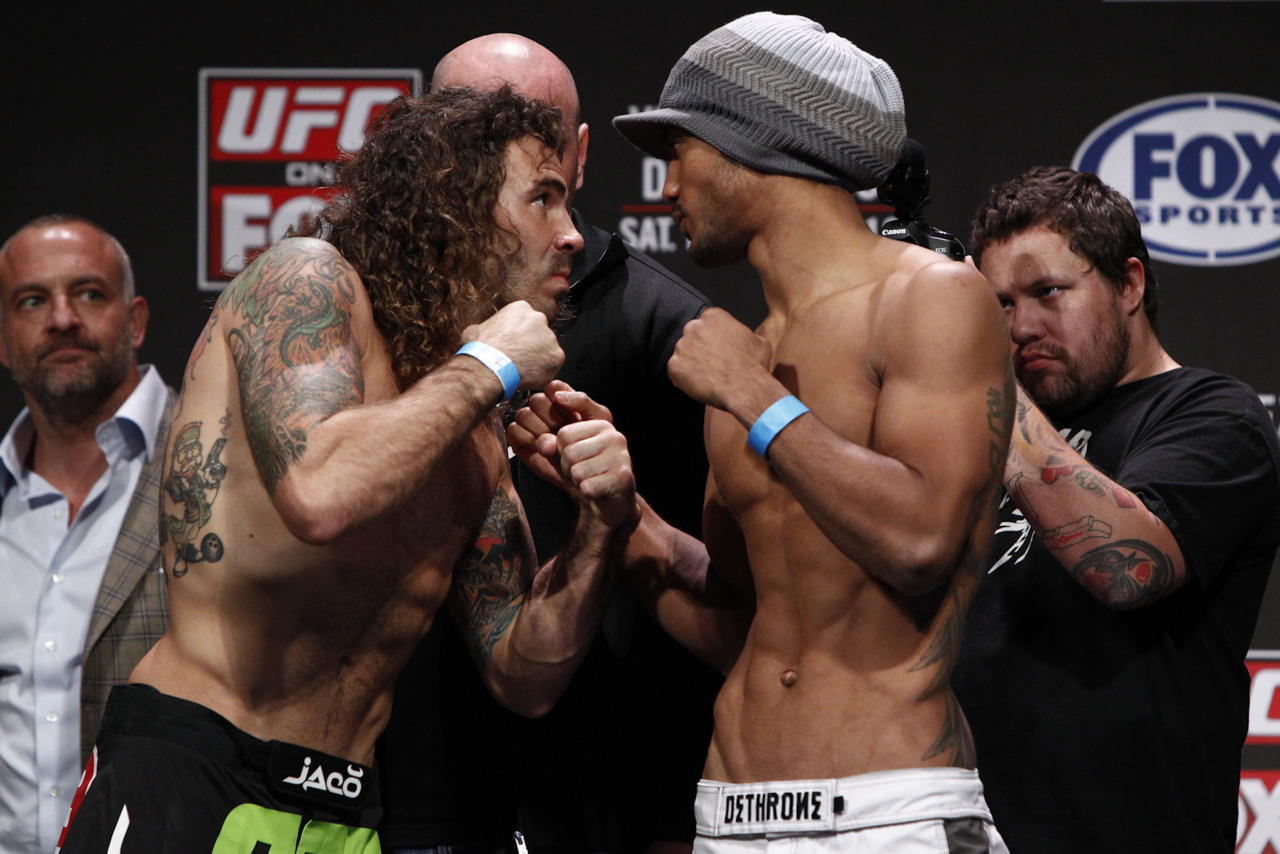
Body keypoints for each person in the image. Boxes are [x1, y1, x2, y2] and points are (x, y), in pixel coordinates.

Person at [56, 85, 639, 854]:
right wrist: (490, 365)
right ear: (454, 205)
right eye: (543, 198)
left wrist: (602, 525)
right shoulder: (307, 285)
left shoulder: (467, 427)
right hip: (195, 778)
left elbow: (524, 675)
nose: (570, 236)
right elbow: (320, 493)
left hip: (345, 817)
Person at [529, 12, 1010, 854]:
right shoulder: (740, 355)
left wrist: (756, 397)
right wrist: (618, 511)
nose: (666, 188)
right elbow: (744, 621)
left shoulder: (930, 297)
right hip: (731, 814)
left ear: (754, 143)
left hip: (885, 815)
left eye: (679, 150)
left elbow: (921, 541)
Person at [376, 35, 717, 854]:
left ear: (578, 155)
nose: (498, 147)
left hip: (587, 806)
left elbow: (719, 602)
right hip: (367, 792)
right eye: (470, 130)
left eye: (537, 135)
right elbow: (311, 503)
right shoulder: (345, 301)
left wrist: (613, 518)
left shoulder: (667, 330)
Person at [951, 166, 1280, 853]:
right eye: (997, 305)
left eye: (1047, 292)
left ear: (1129, 284)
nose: (1020, 327)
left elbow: (1125, 569)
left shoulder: (1215, 415)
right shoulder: (978, 431)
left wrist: (978, 375)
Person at [0, 215, 170, 854]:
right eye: (32, 301)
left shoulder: (222, 462)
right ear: (2, 339)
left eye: (90, 293)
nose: (63, 319)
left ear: (136, 321)